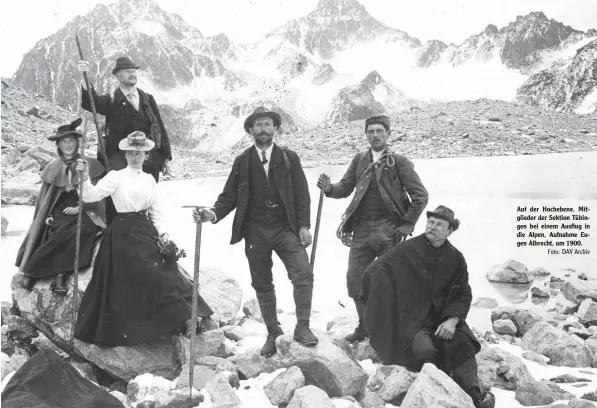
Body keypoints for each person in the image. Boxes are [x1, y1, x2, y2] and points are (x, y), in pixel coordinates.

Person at [193, 106, 317, 357]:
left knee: (302, 273)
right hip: (255, 231)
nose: (263, 129)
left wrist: (303, 225)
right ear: (251, 130)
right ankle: (273, 332)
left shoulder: (289, 158)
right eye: (258, 125)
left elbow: (302, 194)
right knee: (262, 282)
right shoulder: (242, 161)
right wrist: (212, 214)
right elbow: (228, 197)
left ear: (275, 129)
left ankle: (303, 328)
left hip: (285, 228)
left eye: (267, 124)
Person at [73, 131, 215, 346]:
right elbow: (91, 196)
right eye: (131, 153)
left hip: (146, 230)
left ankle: (188, 317)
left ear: (146, 155)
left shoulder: (150, 179)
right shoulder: (116, 176)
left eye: (139, 153)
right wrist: (83, 178)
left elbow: (157, 213)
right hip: (122, 233)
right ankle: (181, 318)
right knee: (146, 271)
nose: (135, 157)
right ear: (125, 154)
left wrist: (165, 238)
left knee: (167, 269)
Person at [361, 205, 495, 408]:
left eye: (439, 224)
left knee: (464, 344)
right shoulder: (408, 249)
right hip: (414, 321)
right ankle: (443, 384)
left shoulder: (456, 258)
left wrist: (452, 320)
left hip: (443, 318)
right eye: (430, 222)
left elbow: (463, 293)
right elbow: (378, 269)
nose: (432, 227)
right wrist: (370, 292)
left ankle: (476, 394)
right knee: (425, 351)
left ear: (450, 231)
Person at [316, 114, 428, 343]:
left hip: (389, 231)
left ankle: (390, 328)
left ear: (388, 134)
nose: (375, 135)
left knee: (390, 282)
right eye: (371, 131)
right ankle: (364, 326)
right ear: (366, 134)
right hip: (361, 230)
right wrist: (329, 188)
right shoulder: (360, 159)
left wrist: (407, 224)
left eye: (379, 131)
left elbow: (420, 195)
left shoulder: (399, 162)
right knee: (355, 279)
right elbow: (345, 187)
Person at [15, 118, 106, 295]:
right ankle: (49, 274)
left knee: (81, 230)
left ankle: (50, 274)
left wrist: (80, 207)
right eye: (64, 142)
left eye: (71, 141)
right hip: (61, 210)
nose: (68, 145)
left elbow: (98, 194)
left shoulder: (88, 164)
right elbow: (48, 199)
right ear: (58, 145)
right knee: (54, 229)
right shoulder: (53, 167)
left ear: (77, 143)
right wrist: (49, 214)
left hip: (87, 209)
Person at [77, 56, 172, 222]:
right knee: (117, 202)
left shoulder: (147, 98)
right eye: (128, 71)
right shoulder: (111, 100)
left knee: (148, 202)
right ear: (117, 76)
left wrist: (165, 157)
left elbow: (159, 127)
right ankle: (115, 233)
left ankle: (150, 236)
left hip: (149, 159)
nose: (133, 74)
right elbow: (92, 103)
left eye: (134, 71)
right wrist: (85, 79)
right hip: (120, 160)